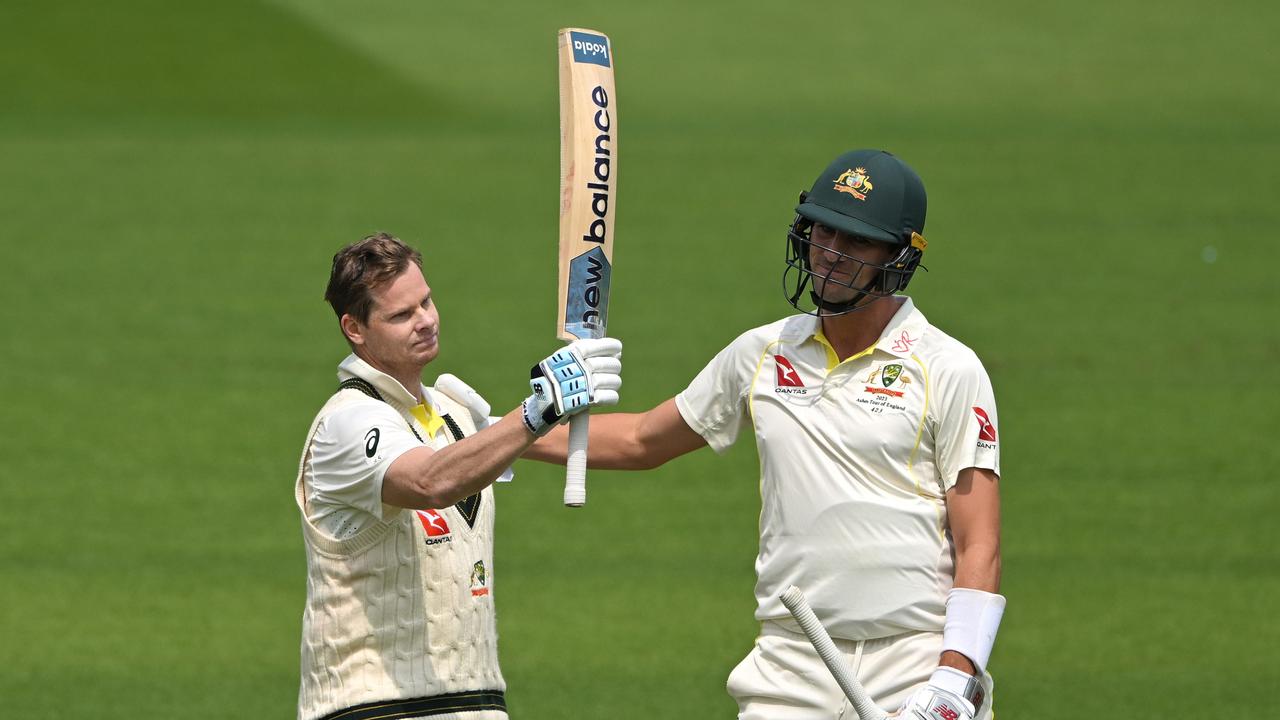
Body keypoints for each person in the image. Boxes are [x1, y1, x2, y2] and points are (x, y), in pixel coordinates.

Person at [526, 150, 1005, 720]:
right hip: (791, 661)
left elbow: (981, 541)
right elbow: (641, 441)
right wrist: (503, 434)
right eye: (824, 232)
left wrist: (955, 674)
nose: (830, 255)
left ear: (897, 257)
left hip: (913, 660)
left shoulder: (949, 367)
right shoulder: (763, 352)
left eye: (856, 243)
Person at [294, 232, 622, 720]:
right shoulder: (347, 421)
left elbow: (636, 443)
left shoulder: (454, 413)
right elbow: (430, 482)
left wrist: (727, 389)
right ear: (355, 328)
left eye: (426, 301)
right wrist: (538, 410)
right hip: (375, 709)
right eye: (401, 315)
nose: (425, 320)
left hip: (475, 704)